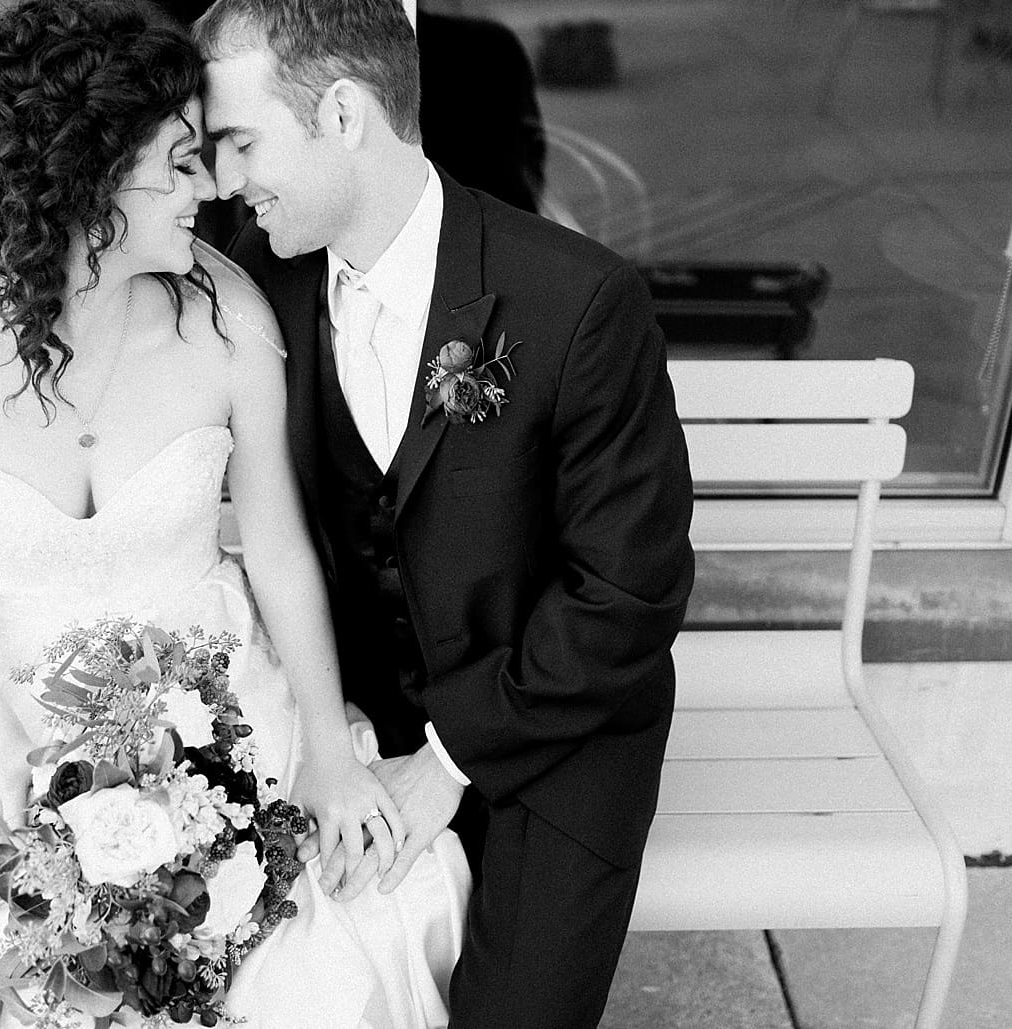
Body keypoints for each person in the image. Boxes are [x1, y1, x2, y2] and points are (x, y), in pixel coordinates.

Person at [0, 2, 468, 1026]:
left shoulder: (226, 317)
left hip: (213, 678)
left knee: (307, 945)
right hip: (2, 694)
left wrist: (327, 747)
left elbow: (276, 548)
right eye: (176, 164)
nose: (210, 189)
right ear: (83, 183)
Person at [195, 1, 696, 1026]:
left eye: (241, 142)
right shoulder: (254, 285)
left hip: (552, 733)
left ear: (342, 114)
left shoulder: (575, 301)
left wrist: (447, 763)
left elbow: (627, 596)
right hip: (346, 725)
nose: (227, 179)